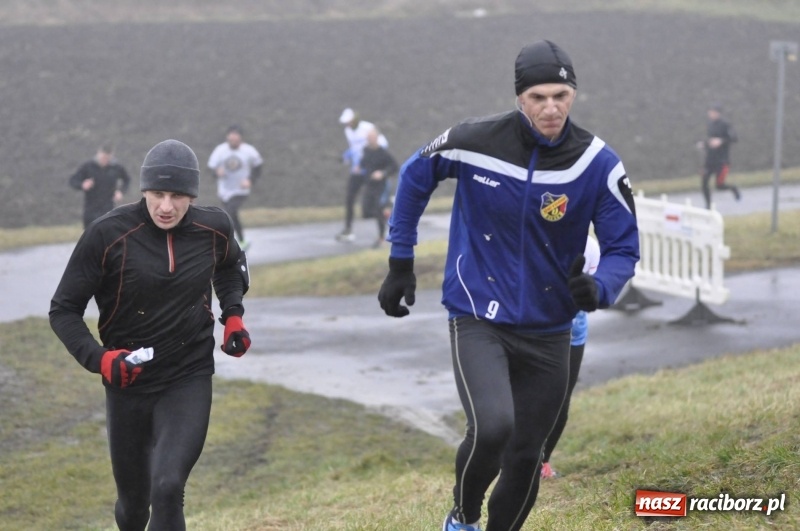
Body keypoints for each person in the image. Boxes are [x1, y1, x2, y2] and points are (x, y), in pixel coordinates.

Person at [377, 40, 639, 531]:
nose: (551, 107)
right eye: (538, 96)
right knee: (494, 427)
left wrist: (601, 288)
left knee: (527, 454)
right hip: (477, 314)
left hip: (550, 328)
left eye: (561, 95)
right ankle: (463, 517)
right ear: (520, 97)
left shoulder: (597, 163)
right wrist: (400, 260)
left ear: (574, 94)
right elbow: (415, 175)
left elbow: (624, 246)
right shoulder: (475, 139)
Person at [50, 139, 252, 531]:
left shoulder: (215, 227)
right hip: (128, 381)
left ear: (191, 196)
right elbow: (64, 310)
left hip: (187, 373)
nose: (166, 206)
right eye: (157, 194)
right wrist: (101, 360)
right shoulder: (107, 235)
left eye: (177, 196)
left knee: (167, 486)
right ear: (143, 191)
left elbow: (229, 268)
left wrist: (233, 316)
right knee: (134, 506)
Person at [540, 234, 600, 480]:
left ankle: (543, 462)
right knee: (528, 395)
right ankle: (516, 458)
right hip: (534, 325)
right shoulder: (538, 234)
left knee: (560, 400)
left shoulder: (591, 248)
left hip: (573, 329)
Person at [336, 107, 388, 242]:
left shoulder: (368, 128)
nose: (348, 124)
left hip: (370, 171)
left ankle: (382, 234)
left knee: (374, 205)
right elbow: (354, 149)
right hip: (357, 170)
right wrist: (347, 156)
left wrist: (377, 167)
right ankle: (348, 229)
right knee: (349, 198)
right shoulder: (347, 131)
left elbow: (382, 145)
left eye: (349, 121)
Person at [207, 125, 264, 250]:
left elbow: (258, 167)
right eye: (231, 138)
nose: (233, 140)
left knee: (229, 212)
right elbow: (210, 168)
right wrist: (217, 172)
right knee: (232, 215)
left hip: (241, 189)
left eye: (235, 138)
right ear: (227, 138)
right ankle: (242, 240)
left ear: (241, 139)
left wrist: (250, 180)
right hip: (224, 190)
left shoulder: (249, 151)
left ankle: (226, 243)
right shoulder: (220, 150)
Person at [69, 144, 131, 228]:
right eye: (103, 158)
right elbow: (73, 180)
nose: (105, 160)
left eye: (107, 158)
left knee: (108, 234)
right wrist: (82, 184)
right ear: (98, 153)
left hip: (108, 208)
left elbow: (127, 180)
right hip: (90, 209)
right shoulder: (88, 166)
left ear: (111, 156)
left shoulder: (116, 167)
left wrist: (121, 191)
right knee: (90, 236)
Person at [359, 126, 399, 248]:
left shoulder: (383, 153)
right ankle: (389, 213)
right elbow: (364, 164)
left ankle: (382, 237)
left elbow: (394, 166)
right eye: (368, 137)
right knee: (366, 211)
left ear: (377, 138)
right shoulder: (366, 150)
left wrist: (382, 173)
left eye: (371, 137)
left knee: (378, 209)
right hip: (369, 185)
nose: (369, 139)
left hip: (381, 186)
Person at [698, 102, 740, 209]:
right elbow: (711, 141)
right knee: (704, 183)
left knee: (719, 185)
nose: (711, 114)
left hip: (722, 160)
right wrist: (704, 144)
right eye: (710, 112)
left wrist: (721, 141)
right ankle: (708, 205)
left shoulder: (725, 124)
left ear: (718, 113)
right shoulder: (710, 125)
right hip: (710, 160)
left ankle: (733, 188)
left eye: (713, 112)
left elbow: (734, 138)